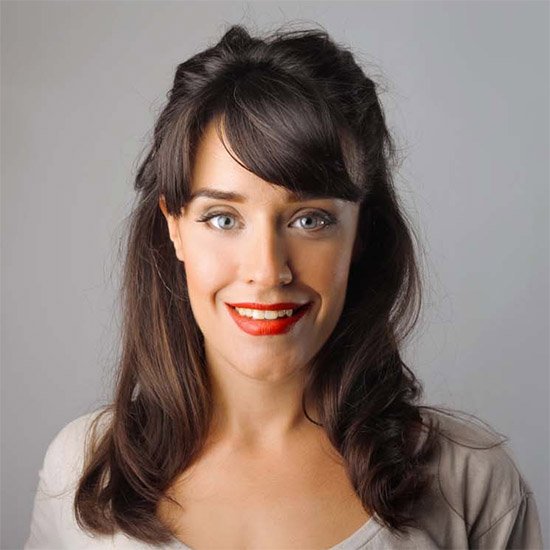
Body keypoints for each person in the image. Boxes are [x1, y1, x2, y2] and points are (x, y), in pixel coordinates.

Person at [25, 24, 543, 549]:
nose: (269, 270)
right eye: (223, 218)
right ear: (174, 227)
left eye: (310, 220)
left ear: (361, 233)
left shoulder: (471, 482)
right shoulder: (83, 470)